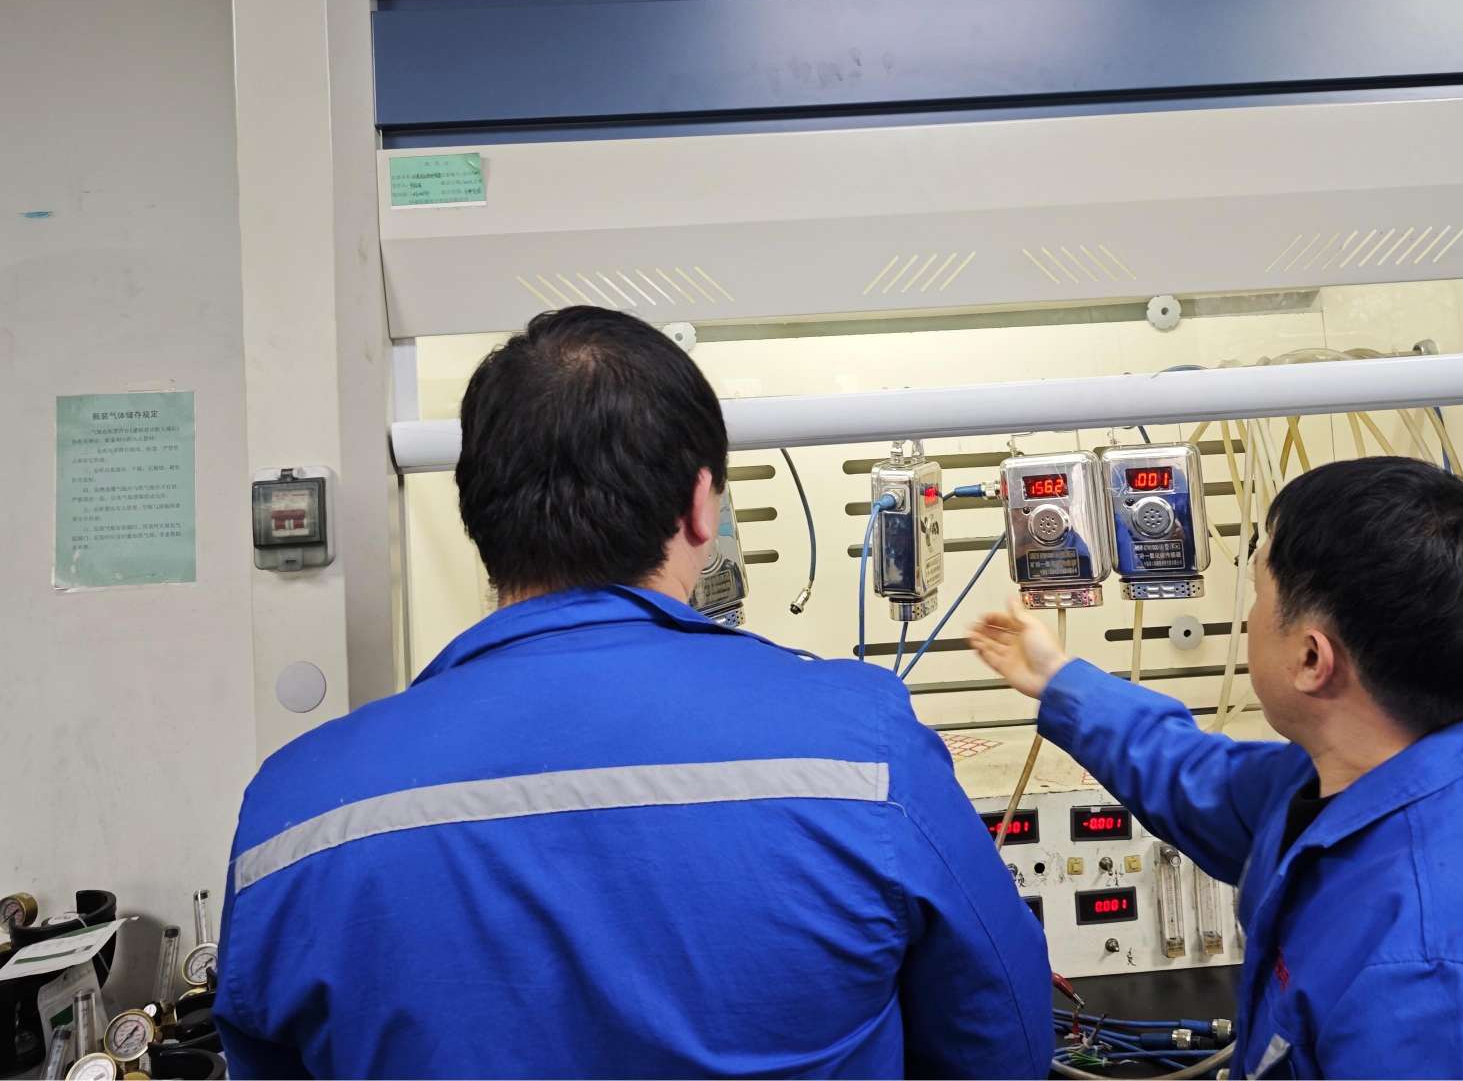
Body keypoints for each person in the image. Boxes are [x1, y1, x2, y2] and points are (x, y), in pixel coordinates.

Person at [214, 306, 1051, 1079]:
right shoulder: (864, 748)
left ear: (477, 516)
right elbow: (1002, 1043)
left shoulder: (295, 810)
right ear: (700, 507)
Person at [971, 455, 1463, 1080]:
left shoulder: (1431, 990)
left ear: (1312, 658)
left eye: (1259, 593)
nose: (1249, 618)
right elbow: (1202, 781)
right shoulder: (1400, 775)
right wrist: (1061, 681)